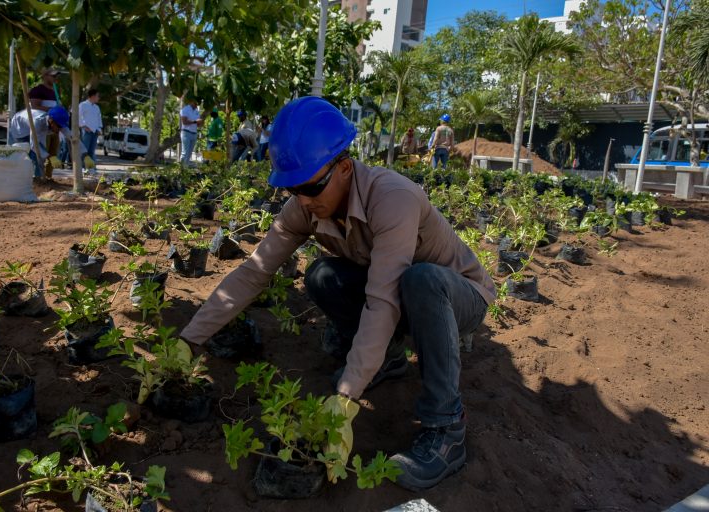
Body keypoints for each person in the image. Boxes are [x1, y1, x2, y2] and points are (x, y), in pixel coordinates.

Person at [180, 97, 496, 491]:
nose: (304, 198)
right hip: (403, 292)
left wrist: (347, 396)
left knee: (421, 280)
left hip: (458, 295)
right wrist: (190, 339)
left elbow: (383, 298)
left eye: (311, 185)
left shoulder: (392, 197)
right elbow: (255, 269)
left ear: (344, 168)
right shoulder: (305, 206)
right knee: (323, 275)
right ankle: (389, 358)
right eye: (294, 188)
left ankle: (447, 428)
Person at [10, 105, 93, 179]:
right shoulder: (37, 123)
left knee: (40, 154)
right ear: (51, 120)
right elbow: (34, 145)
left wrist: (85, 155)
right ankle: (34, 179)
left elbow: (73, 138)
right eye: (59, 126)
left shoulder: (58, 123)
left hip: (33, 128)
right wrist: (50, 157)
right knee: (26, 154)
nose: (60, 129)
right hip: (19, 128)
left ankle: (39, 178)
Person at [28, 68, 62, 176]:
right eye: (53, 76)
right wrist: (51, 111)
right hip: (43, 127)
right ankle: (39, 176)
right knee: (42, 153)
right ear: (45, 76)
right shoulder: (37, 90)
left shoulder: (56, 91)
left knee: (53, 154)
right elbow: (34, 107)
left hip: (55, 128)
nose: (55, 78)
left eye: (56, 76)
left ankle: (48, 177)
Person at [79, 88, 103, 173]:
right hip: (86, 131)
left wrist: (99, 128)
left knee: (91, 151)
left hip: (95, 131)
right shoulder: (83, 105)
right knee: (84, 150)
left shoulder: (97, 107)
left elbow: (99, 118)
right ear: (92, 96)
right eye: (97, 96)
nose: (98, 98)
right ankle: (82, 167)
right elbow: (79, 117)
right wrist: (84, 126)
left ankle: (90, 168)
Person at [180, 97, 203, 165]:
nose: (197, 105)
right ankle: (181, 169)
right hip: (186, 133)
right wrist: (195, 121)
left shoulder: (196, 111)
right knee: (185, 153)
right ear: (191, 101)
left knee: (189, 153)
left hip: (194, 133)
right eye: (195, 103)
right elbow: (184, 122)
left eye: (197, 103)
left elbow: (197, 124)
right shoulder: (185, 109)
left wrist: (200, 123)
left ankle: (185, 169)